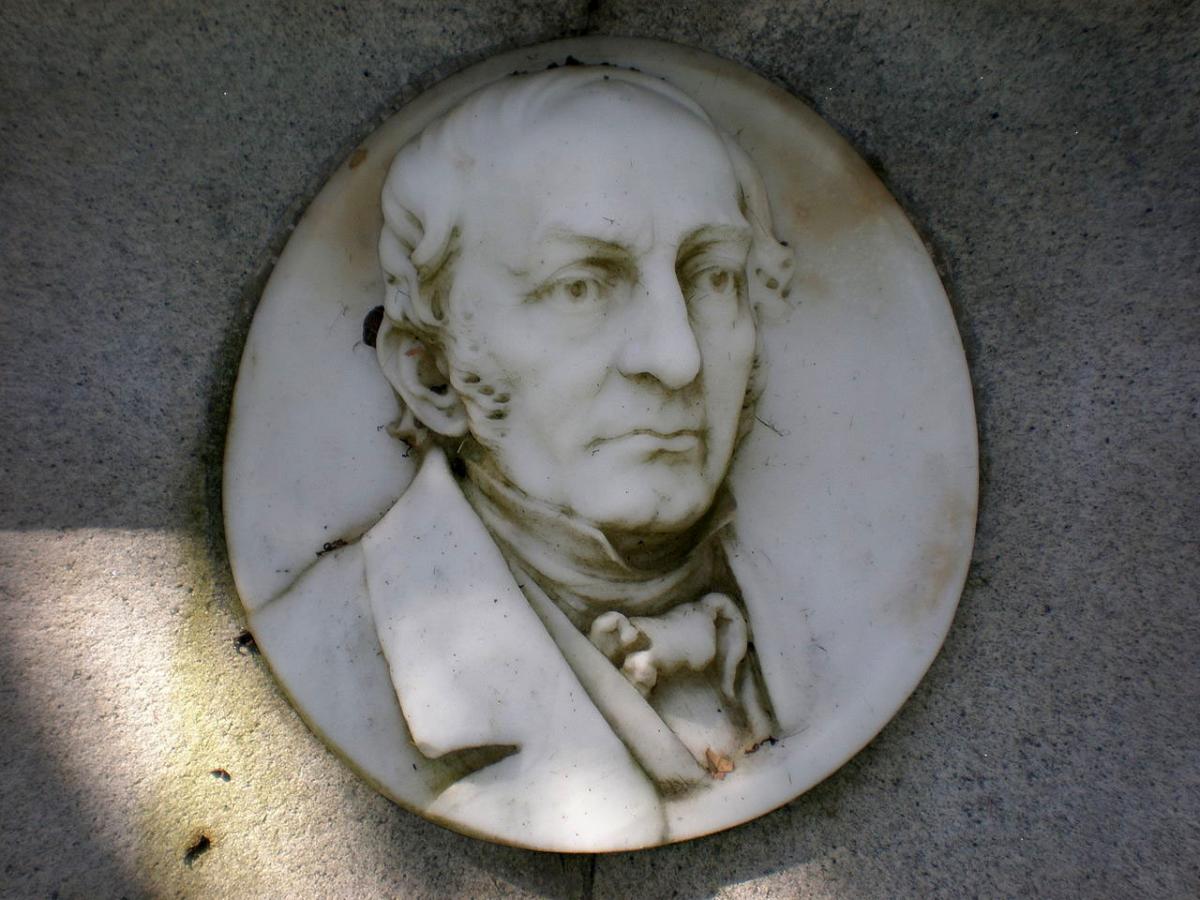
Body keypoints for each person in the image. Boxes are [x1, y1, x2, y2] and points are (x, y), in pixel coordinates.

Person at [251, 66, 799, 850]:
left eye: (712, 276)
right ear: (434, 375)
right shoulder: (328, 647)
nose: (677, 358)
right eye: (580, 287)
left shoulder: (849, 609)